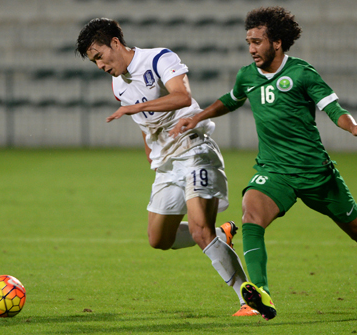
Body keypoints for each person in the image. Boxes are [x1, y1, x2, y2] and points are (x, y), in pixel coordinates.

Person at [169, 6, 357, 321]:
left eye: (257, 42)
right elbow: (230, 100)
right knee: (252, 215)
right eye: (248, 42)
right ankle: (260, 291)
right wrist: (198, 117)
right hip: (274, 172)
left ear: (277, 43)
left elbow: (333, 108)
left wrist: (352, 126)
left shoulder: (302, 73)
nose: (252, 49)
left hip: (315, 174)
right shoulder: (247, 76)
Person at [76, 18, 259, 316]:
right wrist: (150, 150)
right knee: (159, 239)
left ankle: (247, 300)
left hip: (195, 148)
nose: (99, 66)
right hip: (167, 162)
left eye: (99, 56)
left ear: (115, 43)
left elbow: (181, 96)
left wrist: (133, 109)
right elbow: (145, 125)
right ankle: (220, 234)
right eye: (93, 62)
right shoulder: (117, 85)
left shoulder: (160, 58)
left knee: (200, 231)